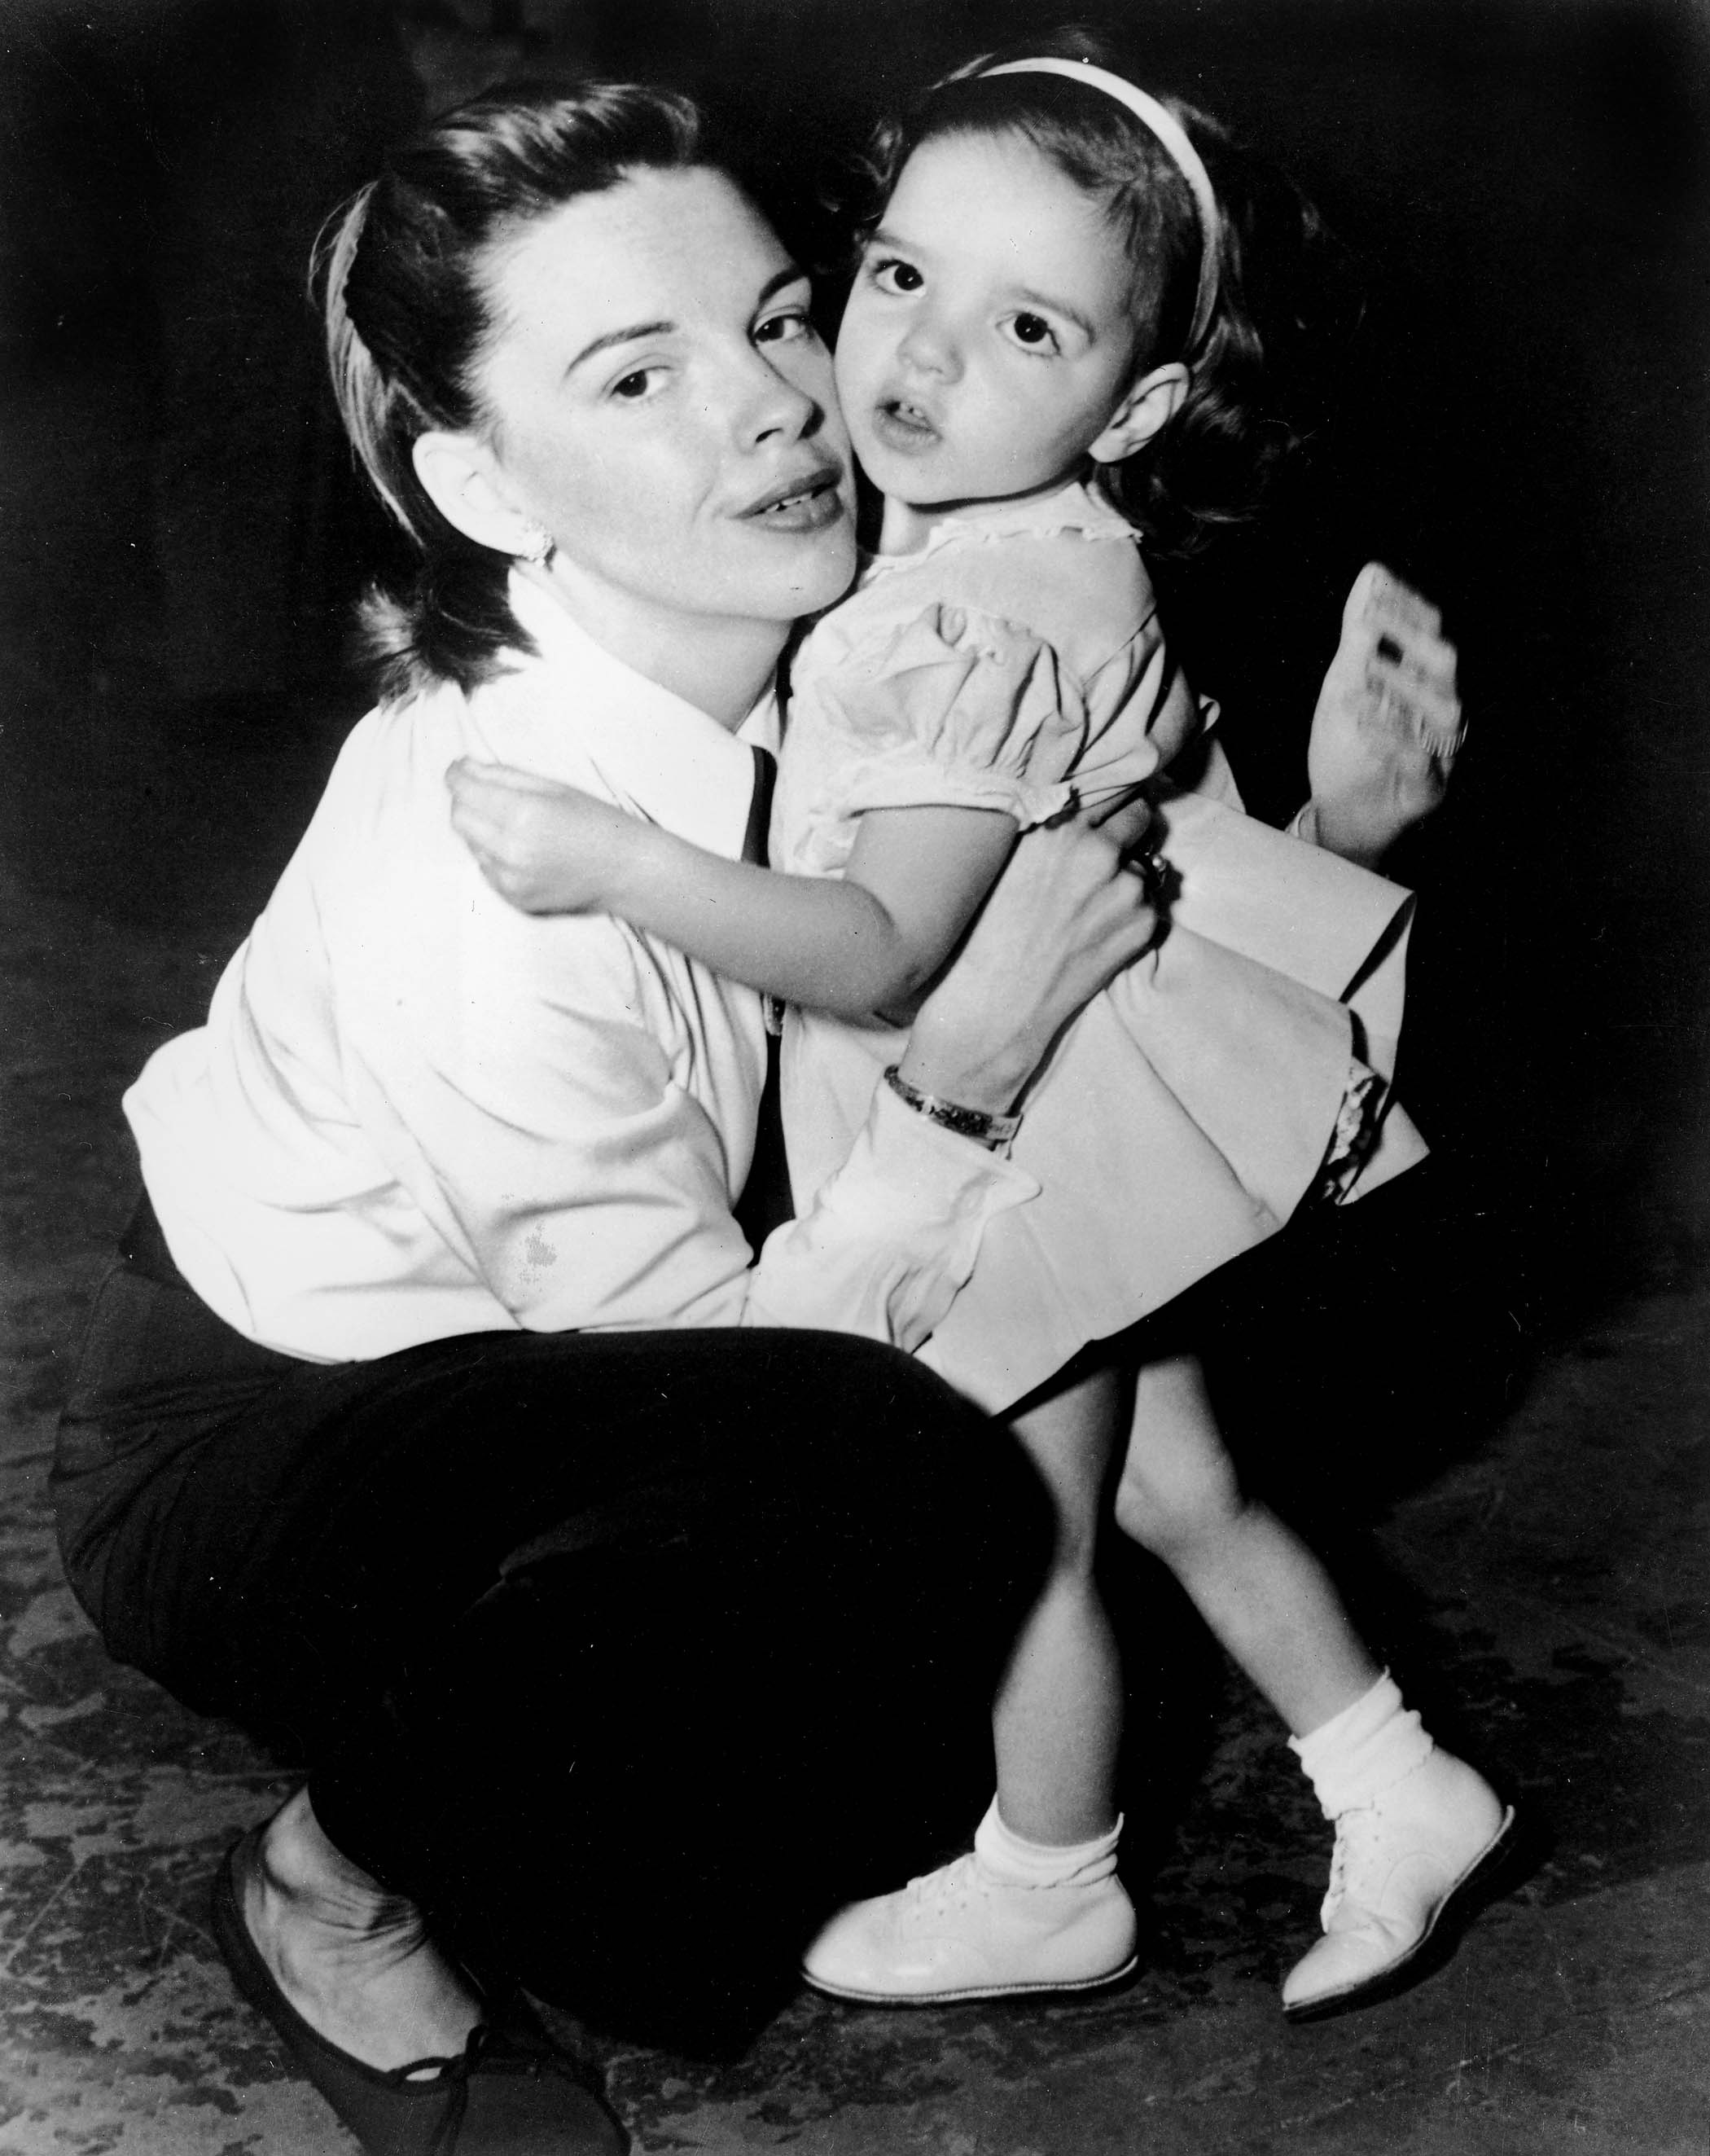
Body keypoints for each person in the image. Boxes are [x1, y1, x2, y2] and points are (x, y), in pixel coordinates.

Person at [50, 81, 1180, 2156]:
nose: (774, 409)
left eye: (775, 318)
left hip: (542, 1362)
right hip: (255, 1431)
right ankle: (331, 1886)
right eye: (638, 374)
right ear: (478, 481)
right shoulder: (491, 878)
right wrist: (962, 1064)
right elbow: (742, 1387)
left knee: (959, 1532)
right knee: (854, 1493)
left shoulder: (865, 623)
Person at [444, 42, 1508, 2026]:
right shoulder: (1024, 542)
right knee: (1183, 1486)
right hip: (1116, 1101)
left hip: (1027, 1141)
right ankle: (1396, 1776)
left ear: (1148, 398)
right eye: (901, 275)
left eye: (1027, 326)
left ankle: (1050, 1875)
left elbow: (873, 952)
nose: (918, 358)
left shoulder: (972, 622)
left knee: (1023, 1527)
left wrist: (615, 859)